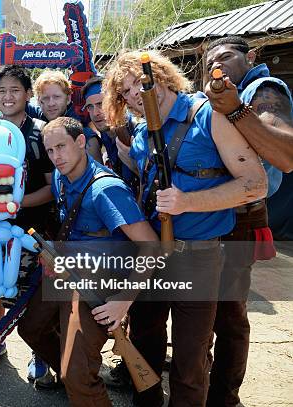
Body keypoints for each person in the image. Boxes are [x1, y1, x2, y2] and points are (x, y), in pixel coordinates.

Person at [102, 49, 267, 406]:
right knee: (144, 346)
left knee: (191, 361)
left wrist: (188, 202)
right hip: (153, 257)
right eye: (125, 93)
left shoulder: (208, 115)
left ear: (161, 77)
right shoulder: (143, 130)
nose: (133, 96)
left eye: (139, 85)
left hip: (200, 256)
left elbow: (255, 184)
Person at [18, 115, 158, 406]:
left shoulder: (106, 189)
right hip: (69, 274)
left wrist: (124, 299)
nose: (56, 156)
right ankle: (78, 381)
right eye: (50, 150)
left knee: (77, 375)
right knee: (30, 328)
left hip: (101, 285)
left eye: (62, 146)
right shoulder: (60, 176)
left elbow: (153, 247)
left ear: (81, 142)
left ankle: (80, 382)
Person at [204, 35, 293, 406]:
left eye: (224, 56)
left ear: (251, 56)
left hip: (240, 218)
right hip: (213, 215)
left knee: (228, 315)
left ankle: (224, 397)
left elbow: (285, 152)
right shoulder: (227, 92)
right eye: (210, 61)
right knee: (203, 311)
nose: (216, 65)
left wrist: (237, 109)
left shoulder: (263, 87)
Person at [0, 64, 56, 381]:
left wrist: (18, 203)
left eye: (15, 90)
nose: (8, 97)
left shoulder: (42, 132)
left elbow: (53, 187)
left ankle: (40, 352)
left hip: (33, 226)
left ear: (27, 94)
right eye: (2, 90)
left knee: (34, 291)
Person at [82, 75, 140, 196]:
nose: (95, 113)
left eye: (101, 104)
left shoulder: (136, 129)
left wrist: (135, 166)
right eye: (90, 107)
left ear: (116, 102)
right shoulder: (105, 132)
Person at [27, 70, 102, 163]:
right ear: (39, 101)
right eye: (46, 98)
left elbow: (98, 174)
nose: (51, 103)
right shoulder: (37, 115)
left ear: (68, 98)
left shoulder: (86, 136)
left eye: (57, 97)